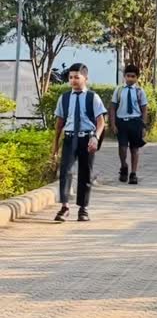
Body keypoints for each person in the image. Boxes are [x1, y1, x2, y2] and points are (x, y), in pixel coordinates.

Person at [51, 63, 106, 223]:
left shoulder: (92, 97)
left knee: (85, 173)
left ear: (85, 78)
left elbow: (101, 121)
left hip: (86, 138)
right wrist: (55, 143)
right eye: (70, 77)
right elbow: (60, 122)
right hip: (69, 138)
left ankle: (83, 208)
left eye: (77, 77)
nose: (73, 80)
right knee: (65, 171)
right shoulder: (64, 97)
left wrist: (95, 137)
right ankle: (64, 206)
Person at [110, 64, 148, 185]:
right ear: (124, 76)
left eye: (133, 76)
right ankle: (124, 166)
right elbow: (113, 107)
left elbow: (144, 109)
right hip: (122, 122)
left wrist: (143, 126)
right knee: (122, 148)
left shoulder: (139, 91)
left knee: (134, 149)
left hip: (135, 122)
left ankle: (133, 173)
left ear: (137, 78)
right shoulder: (119, 90)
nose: (130, 78)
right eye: (128, 76)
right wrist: (113, 124)